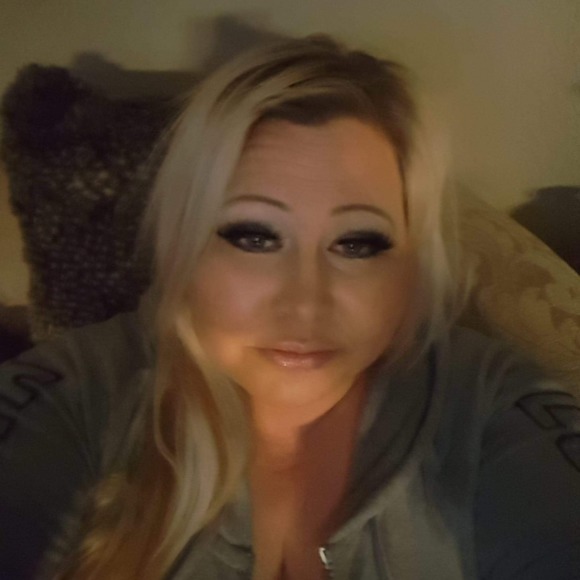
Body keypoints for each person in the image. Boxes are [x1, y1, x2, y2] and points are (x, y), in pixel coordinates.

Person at [1, 35, 579, 580]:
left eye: (357, 243)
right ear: (183, 248)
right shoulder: (82, 396)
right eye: (254, 237)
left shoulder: (487, 409)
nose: (305, 305)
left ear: (411, 268)